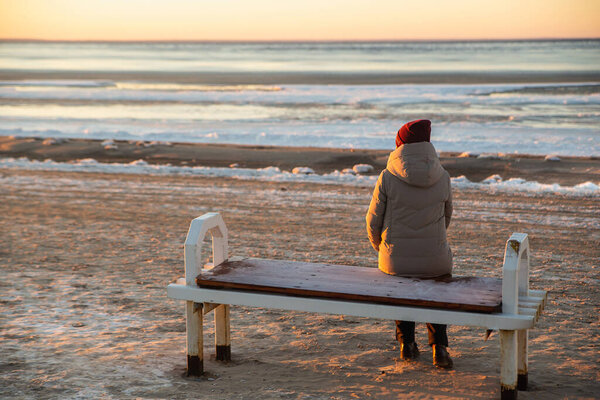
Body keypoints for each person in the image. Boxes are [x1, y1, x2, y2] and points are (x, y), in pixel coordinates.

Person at [366, 119, 454, 369]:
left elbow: (372, 221)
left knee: (400, 286)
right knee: (436, 291)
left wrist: (382, 247)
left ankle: (406, 344)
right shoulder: (443, 176)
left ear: (400, 145)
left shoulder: (387, 176)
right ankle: (439, 347)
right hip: (435, 258)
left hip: (395, 258)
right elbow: (447, 217)